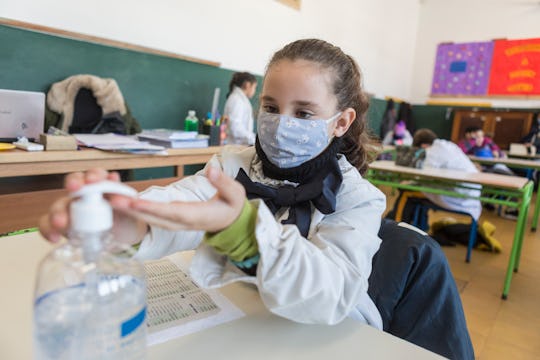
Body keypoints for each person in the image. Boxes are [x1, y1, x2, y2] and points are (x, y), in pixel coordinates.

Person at [39, 40, 473, 359]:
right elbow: (185, 200)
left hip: (327, 340)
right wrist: (131, 219)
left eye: (304, 113)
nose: (281, 123)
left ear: (341, 122)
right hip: (241, 329)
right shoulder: (231, 164)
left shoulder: (358, 198)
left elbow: (329, 295)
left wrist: (245, 233)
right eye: (270, 106)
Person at [387, 128, 482, 224]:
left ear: (423, 146)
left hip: (460, 196)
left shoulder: (432, 151)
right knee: (416, 191)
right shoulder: (447, 145)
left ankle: (397, 225)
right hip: (470, 194)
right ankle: (417, 226)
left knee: (406, 191)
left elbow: (423, 175)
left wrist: (408, 182)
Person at [223, 72, 258, 145]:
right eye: (254, 87)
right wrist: (252, 138)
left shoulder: (240, 99)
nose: (254, 91)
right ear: (248, 85)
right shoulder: (237, 99)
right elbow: (235, 127)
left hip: (239, 146)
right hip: (235, 146)